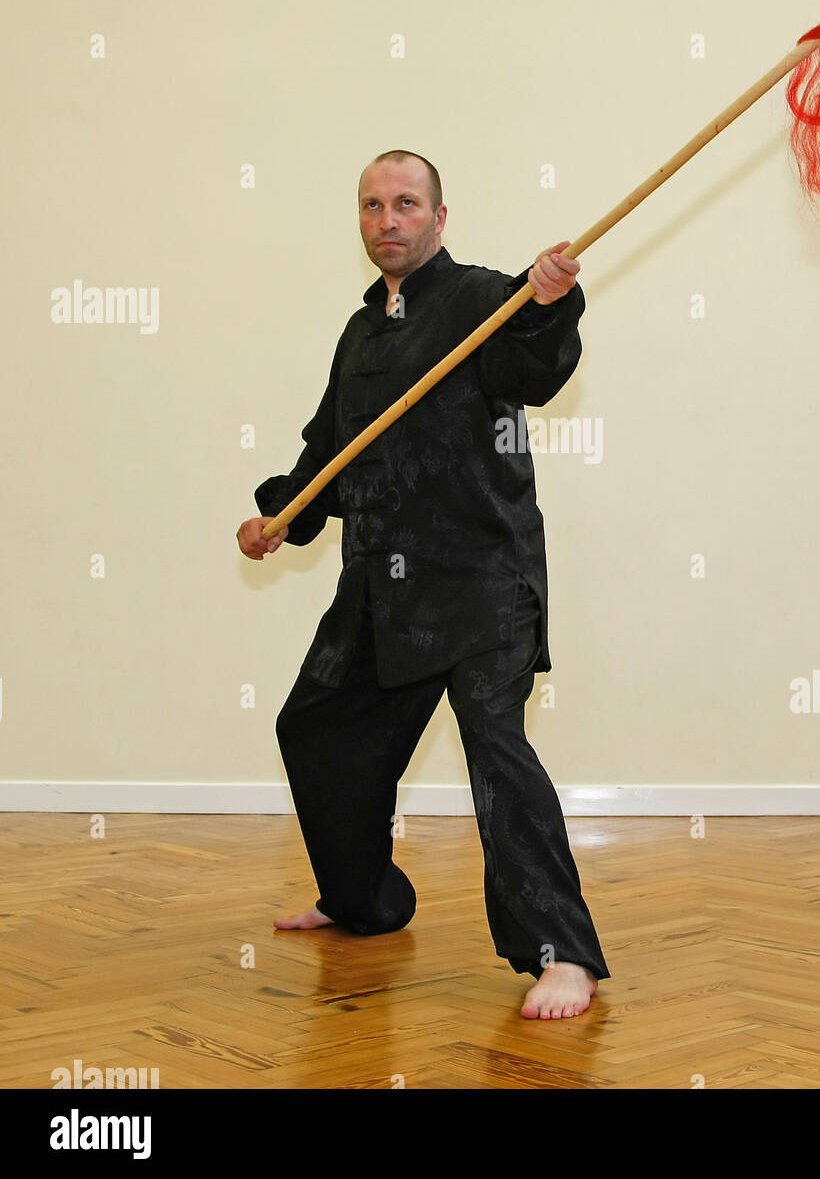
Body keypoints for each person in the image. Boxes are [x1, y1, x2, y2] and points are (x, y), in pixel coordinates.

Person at [236, 150, 609, 1020]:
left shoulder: (487, 299)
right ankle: (363, 900)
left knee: (496, 754)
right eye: (372, 206)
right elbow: (333, 448)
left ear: (440, 218)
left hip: (481, 579)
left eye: (406, 204)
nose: (388, 220)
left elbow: (535, 369)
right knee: (316, 728)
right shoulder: (362, 332)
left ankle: (565, 957)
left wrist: (548, 304)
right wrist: (284, 512)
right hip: (381, 587)